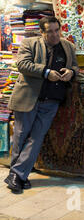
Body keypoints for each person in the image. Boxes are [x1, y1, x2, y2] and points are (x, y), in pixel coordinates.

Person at [4, 16, 79, 194]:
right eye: (50, 31)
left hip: (51, 100)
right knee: (21, 136)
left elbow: (75, 67)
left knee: (36, 138)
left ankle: (17, 175)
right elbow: (22, 64)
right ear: (42, 32)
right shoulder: (29, 43)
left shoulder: (68, 46)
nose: (54, 35)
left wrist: (71, 72)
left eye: (56, 30)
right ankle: (20, 176)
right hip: (29, 97)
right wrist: (46, 72)